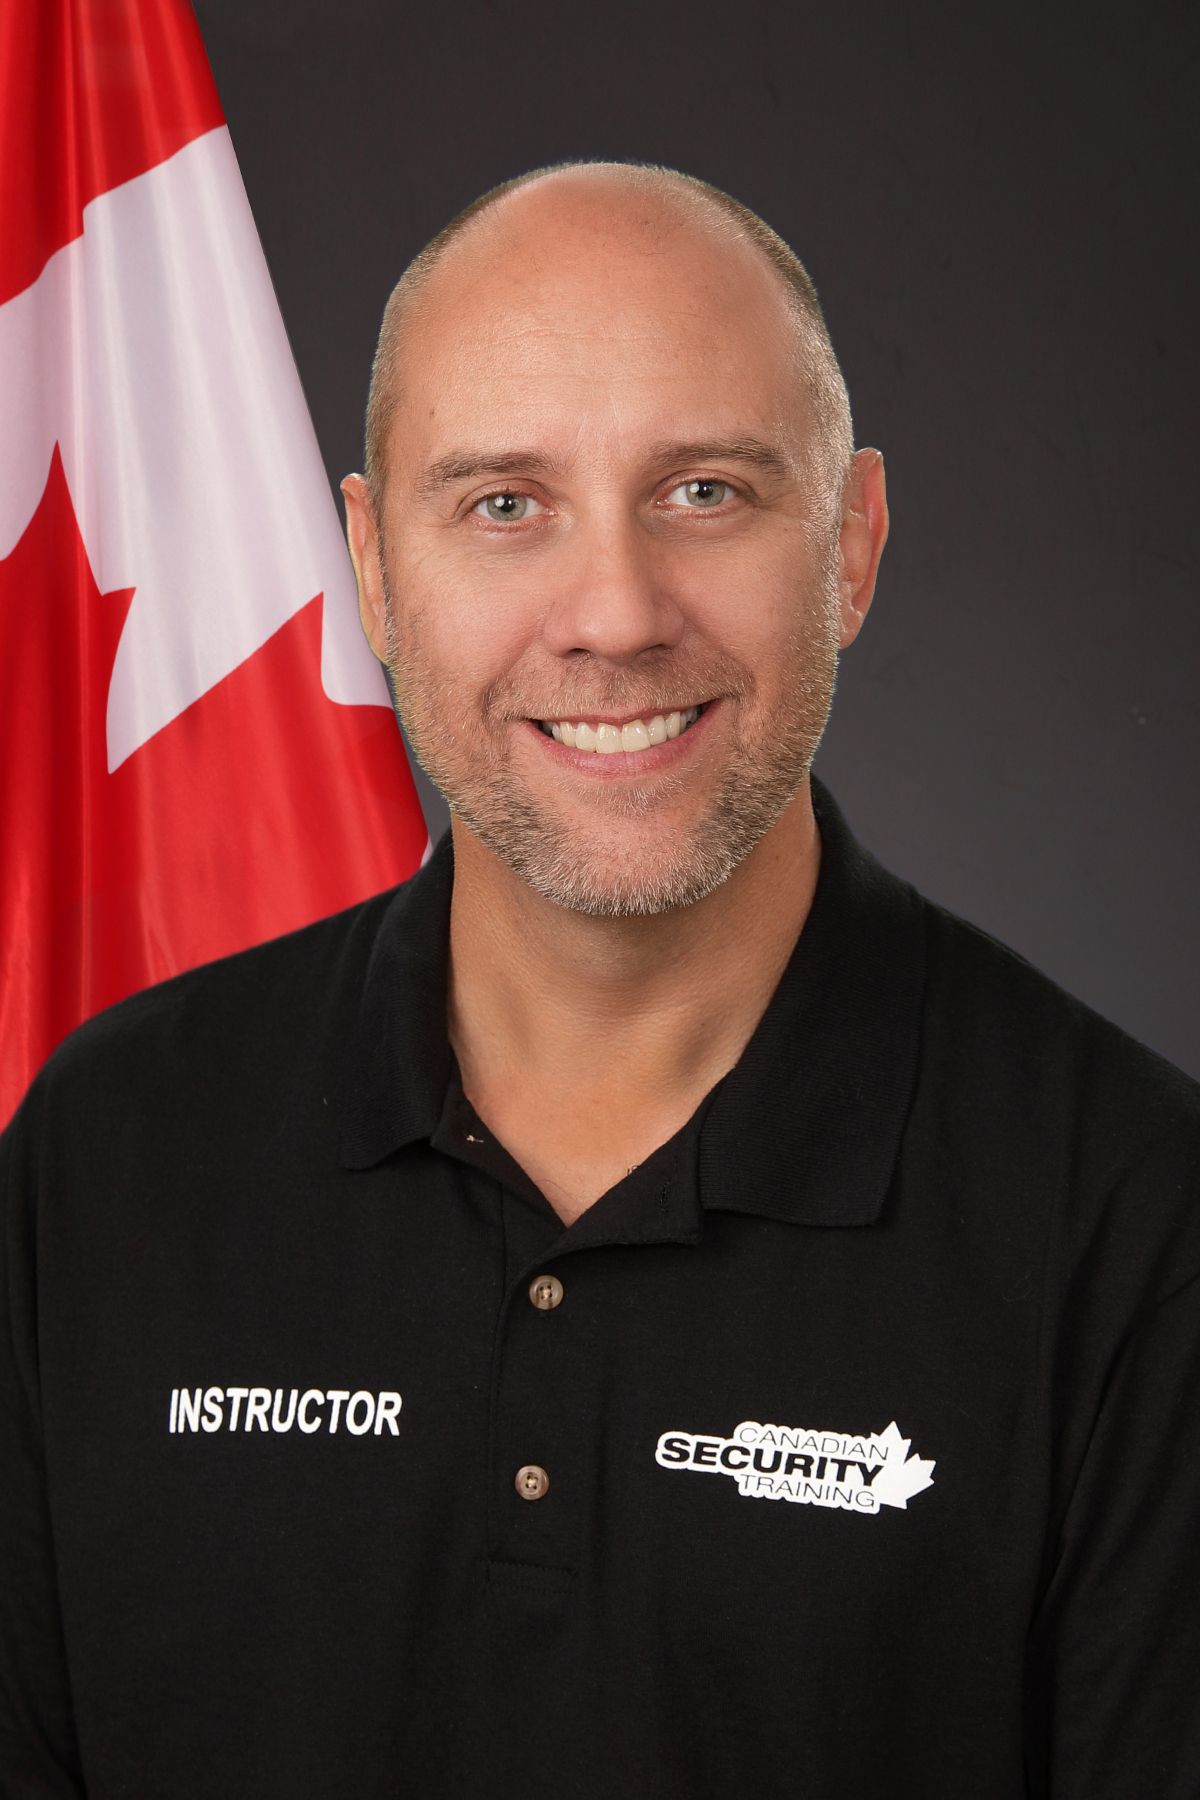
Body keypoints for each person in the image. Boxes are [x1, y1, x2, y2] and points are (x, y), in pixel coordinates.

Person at [2, 159, 1197, 1799]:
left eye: (705, 491)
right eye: (505, 504)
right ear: (372, 564)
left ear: (850, 542)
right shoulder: (101, 1156)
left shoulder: (1135, 1220)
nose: (617, 613)